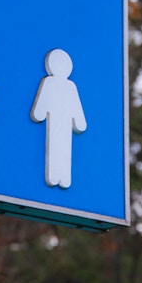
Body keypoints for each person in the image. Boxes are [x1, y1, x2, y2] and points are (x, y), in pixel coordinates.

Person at [31, 48, 86, 188]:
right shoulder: (68, 86)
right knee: (61, 148)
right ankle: (60, 178)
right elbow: (80, 120)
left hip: (59, 124)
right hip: (60, 124)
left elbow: (39, 112)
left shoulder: (56, 84)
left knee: (58, 148)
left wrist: (79, 122)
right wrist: (80, 122)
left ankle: (60, 178)